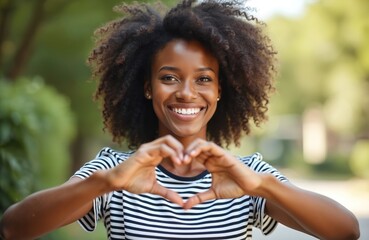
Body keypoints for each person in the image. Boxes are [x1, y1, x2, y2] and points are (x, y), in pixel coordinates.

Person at [0, 0, 360, 239]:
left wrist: (263, 186)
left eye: (204, 79)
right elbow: (13, 227)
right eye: (169, 77)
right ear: (147, 87)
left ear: (220, 91)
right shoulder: (114, 170)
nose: (187, 93)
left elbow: (346, 232)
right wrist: (106, 182)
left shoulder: (246, 174)